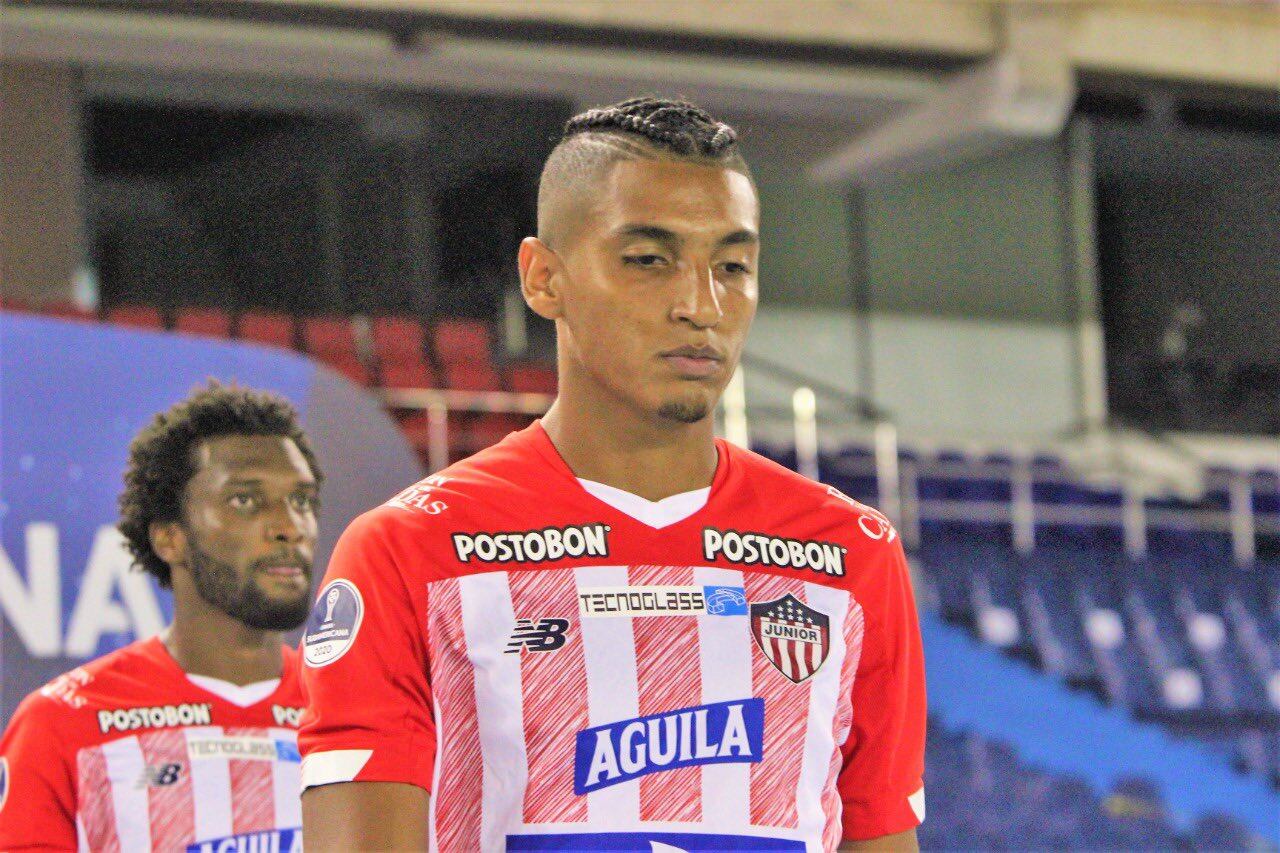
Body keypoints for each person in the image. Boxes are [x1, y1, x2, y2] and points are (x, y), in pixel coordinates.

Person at [299, 97, 925, 852]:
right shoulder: (408, 553)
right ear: (543, 279)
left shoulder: (850, 555)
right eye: (648, 260)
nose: (701, 304)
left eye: (732, 265)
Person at [0, 382, 323, 851]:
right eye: (245, 500)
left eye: (301, 501)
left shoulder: (350, 712)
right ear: (169, 538)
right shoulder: (63, 724)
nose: (290, 527)